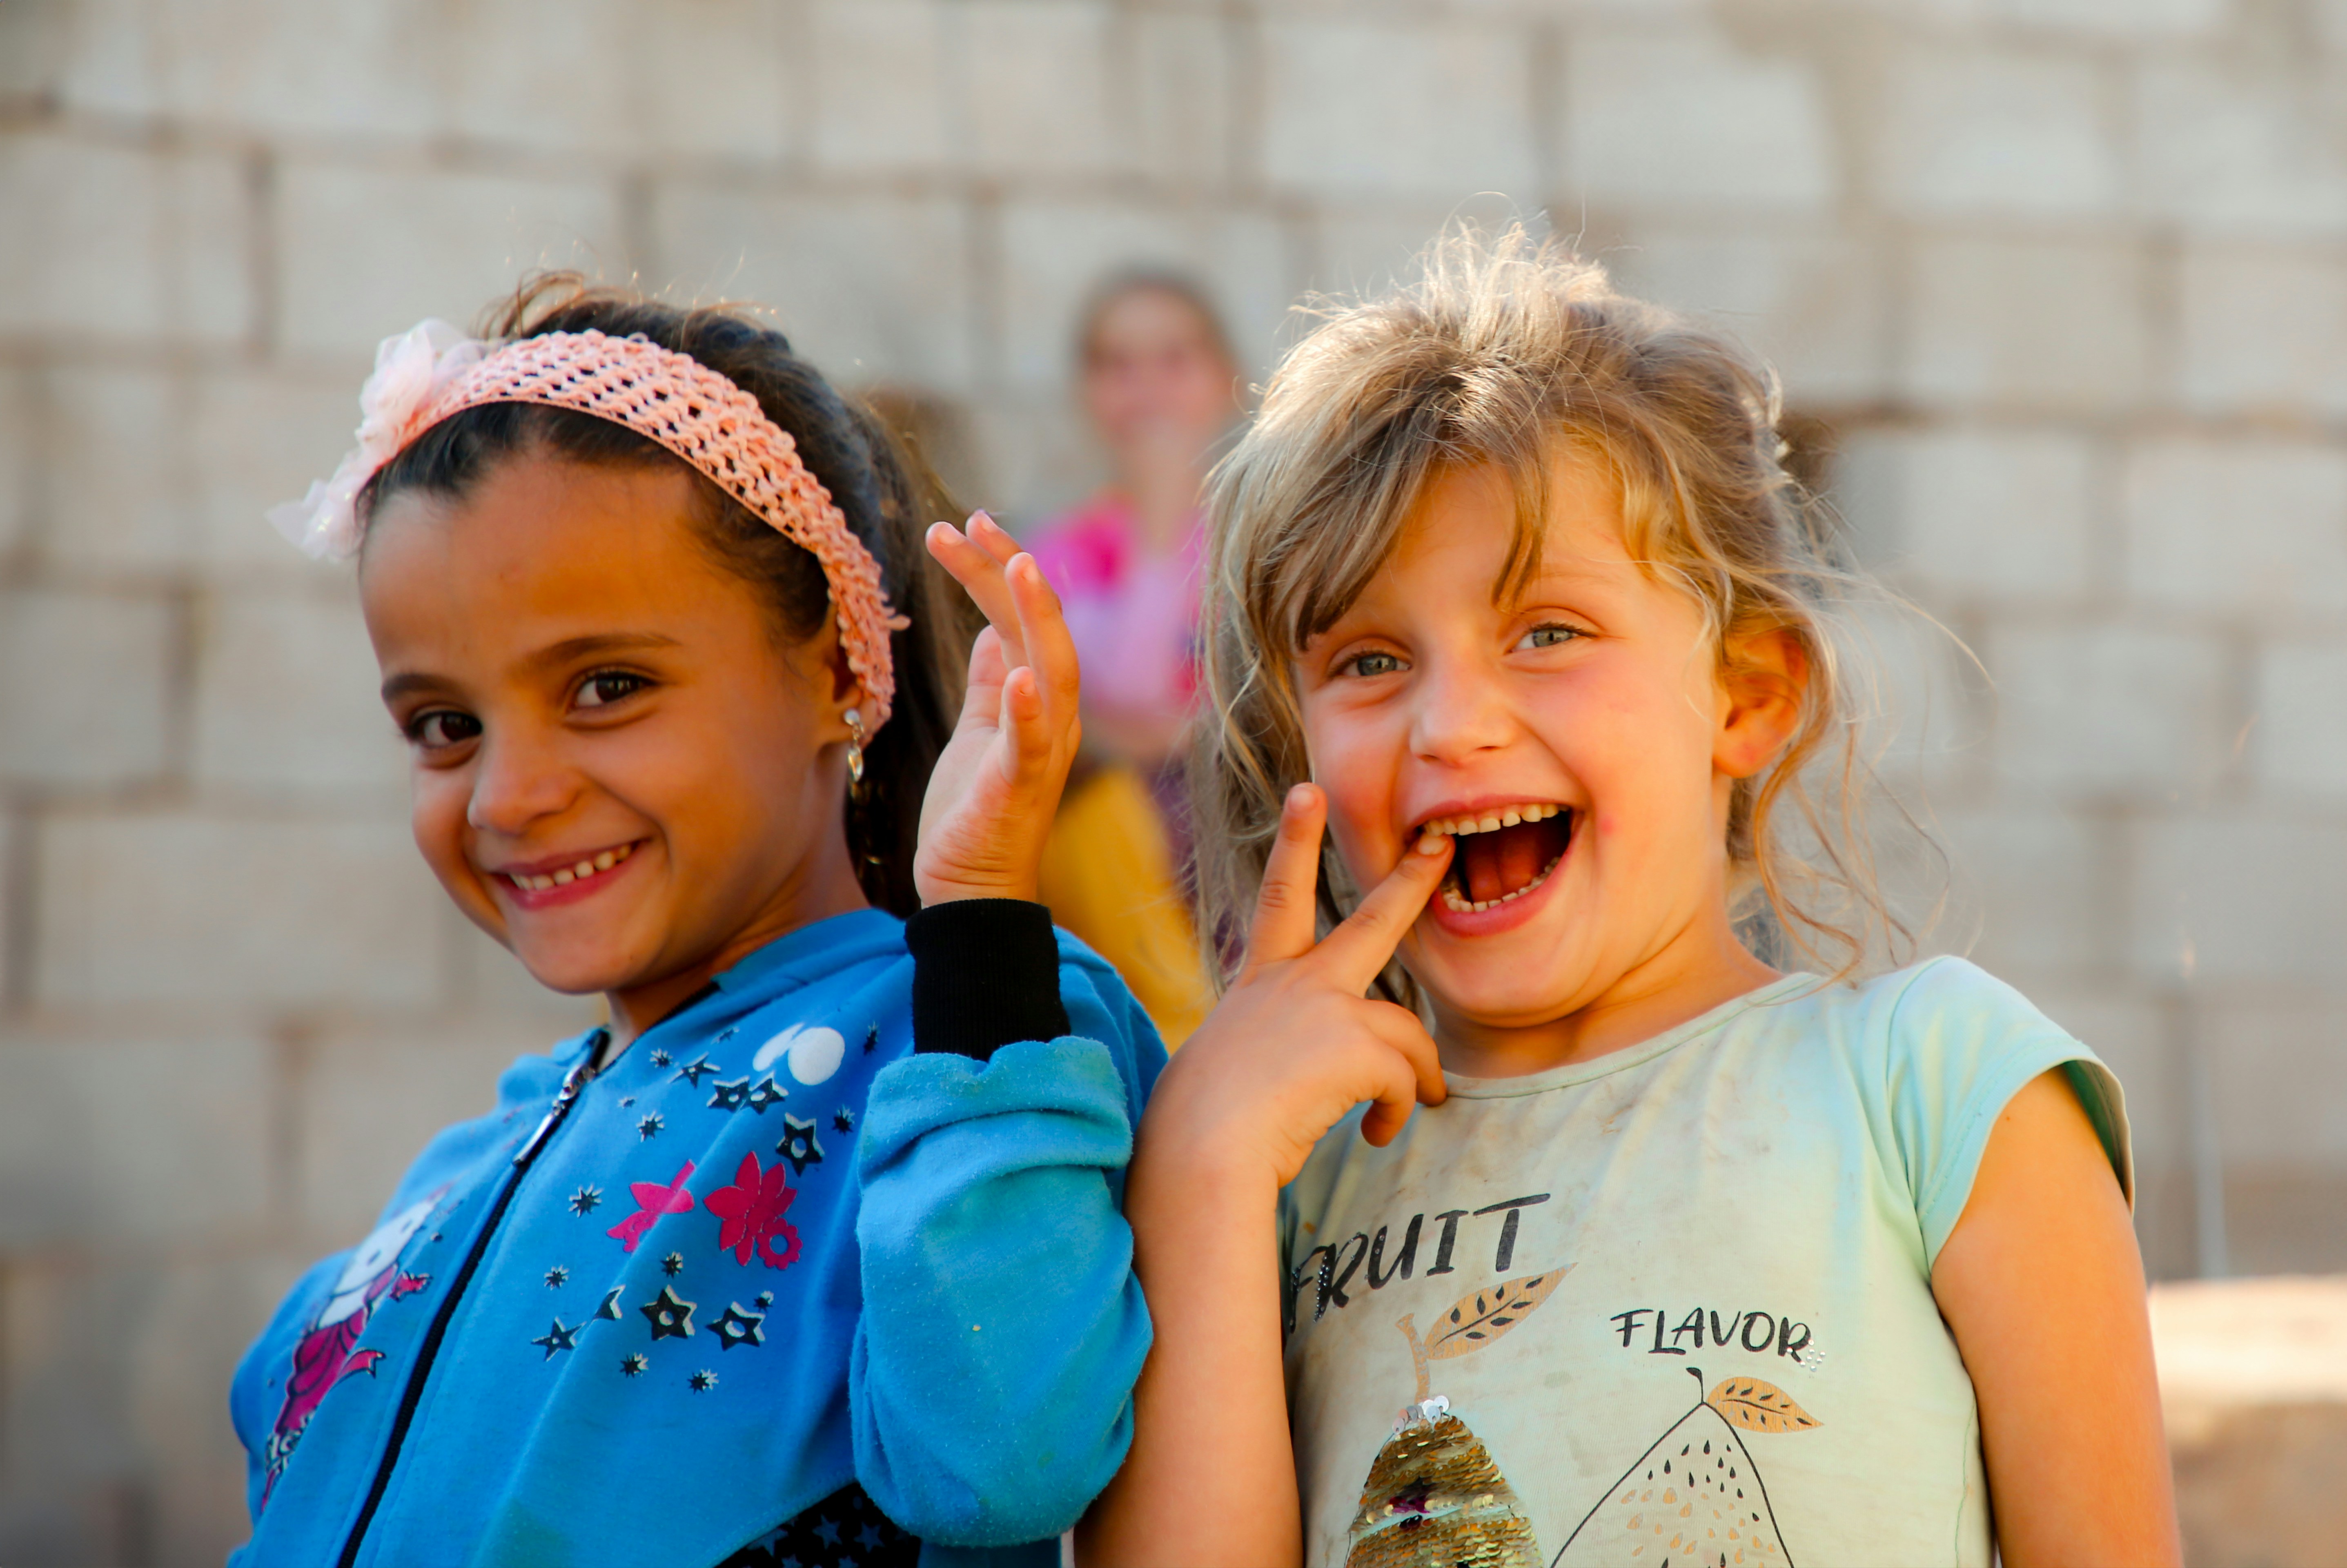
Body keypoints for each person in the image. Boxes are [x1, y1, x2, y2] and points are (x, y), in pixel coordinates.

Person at [1079, 230, 2180, 1566]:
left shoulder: (1937, 1091)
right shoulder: (1281, 1177)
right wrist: (1201, 1163)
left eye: (1548, 631)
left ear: (1747, 695)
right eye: (1369, 658)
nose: (1452, 723)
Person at [232, 278, 1160, 1568]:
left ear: (839, 669)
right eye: (445, 726)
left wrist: (982, 932)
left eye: (606, 688)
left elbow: (1005, 1459)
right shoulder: (459, 1169)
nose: (509, 796)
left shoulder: (971, 1039)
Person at [1023, 272, 1241, 1044]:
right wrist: (1153, 520)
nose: (1146, 388)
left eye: (1174, 358)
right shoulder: (1065, 554)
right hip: (1117, 844)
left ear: (1227, 379)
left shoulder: (1257, 540)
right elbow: (1078, 712)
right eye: (1118, 363)